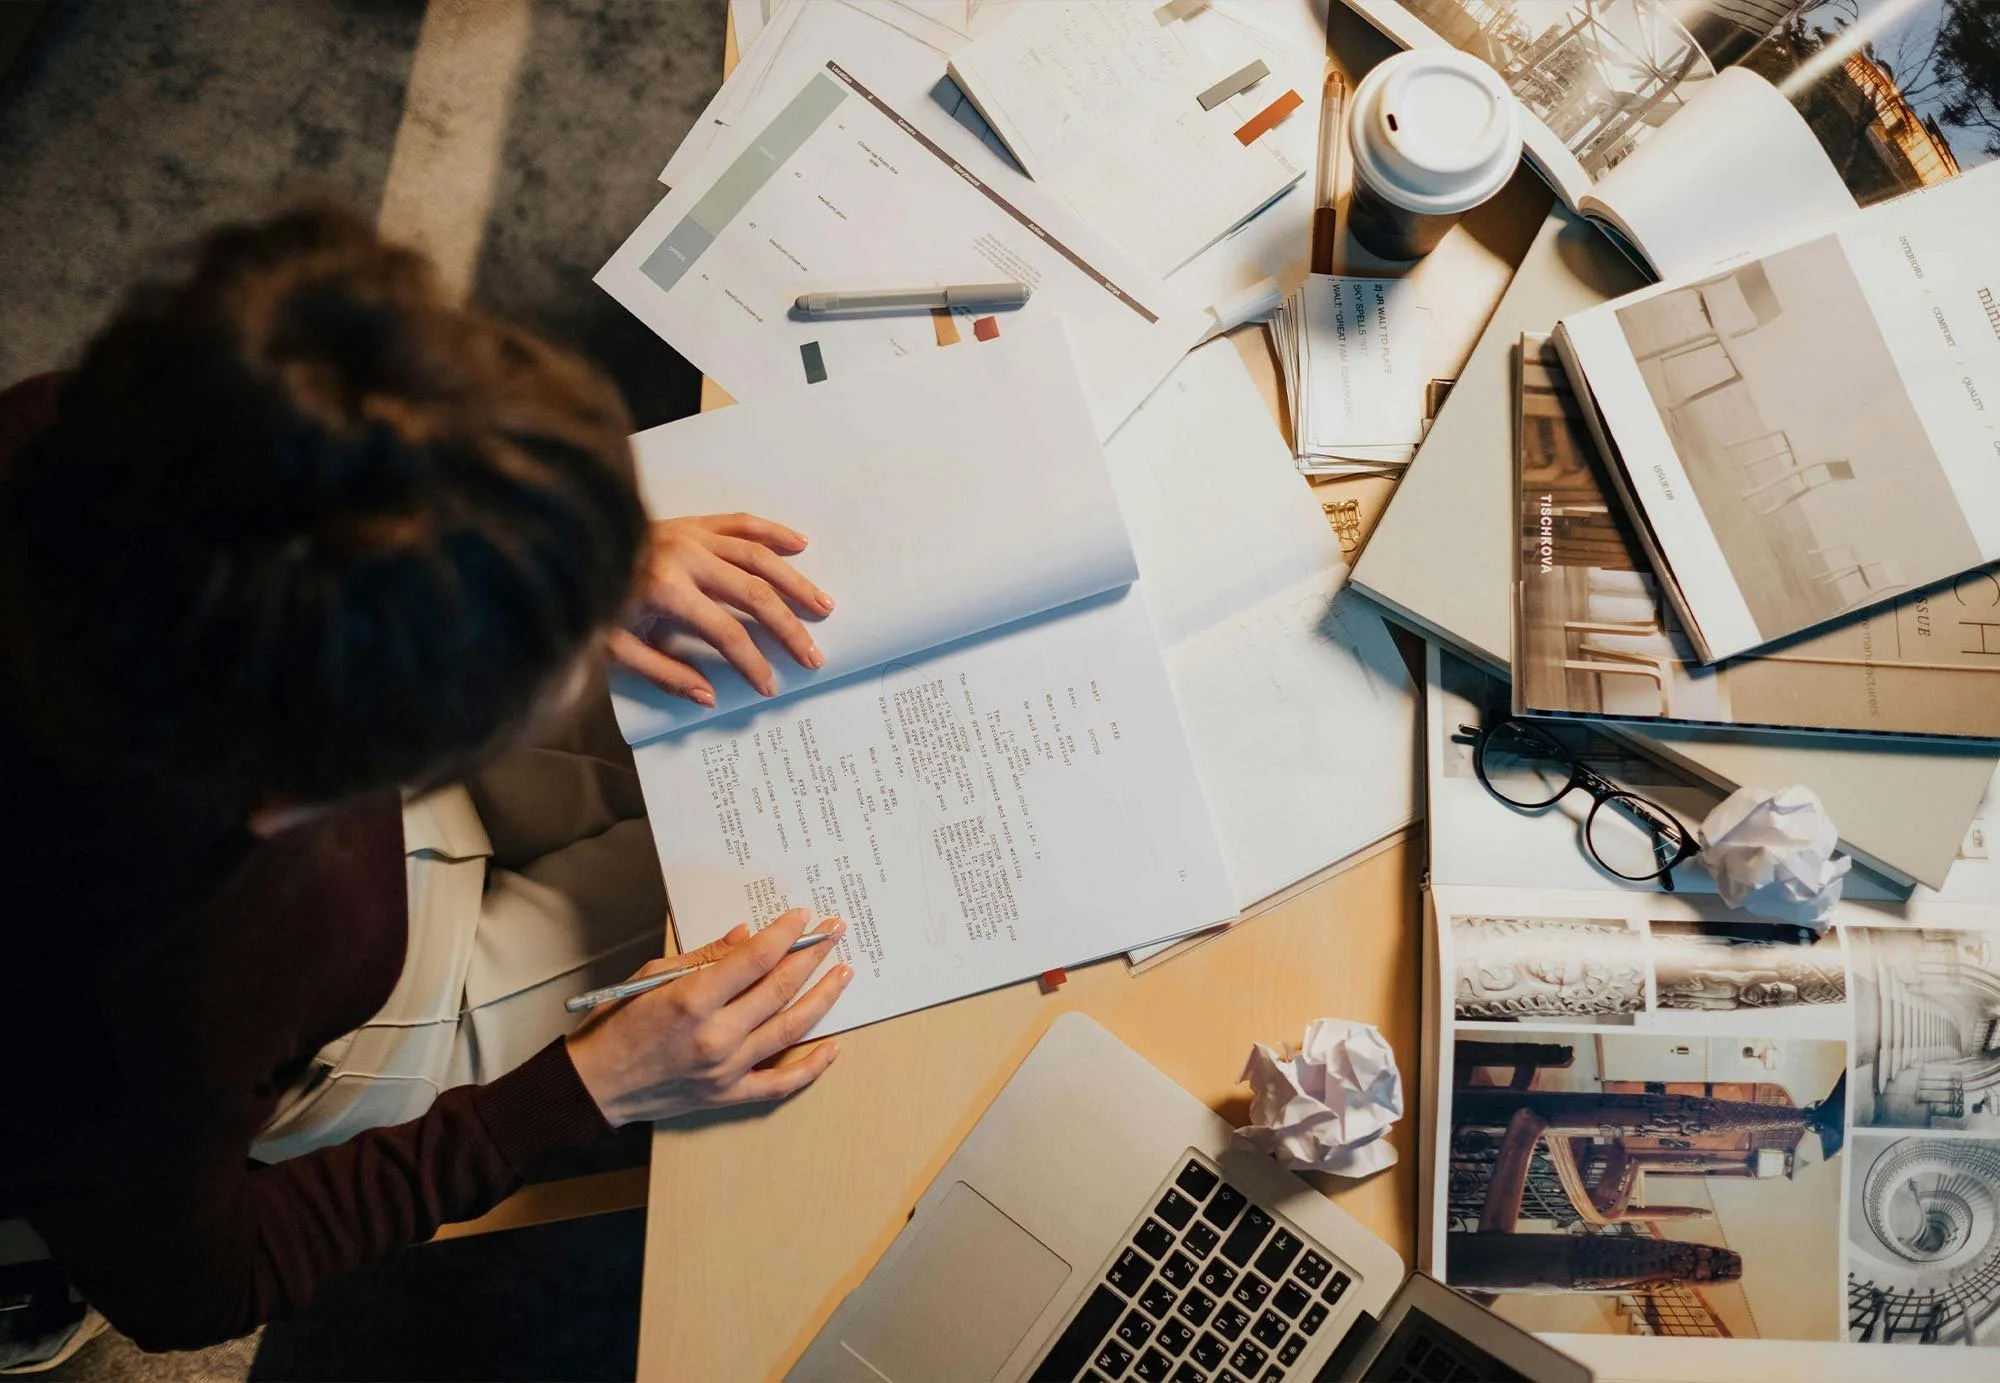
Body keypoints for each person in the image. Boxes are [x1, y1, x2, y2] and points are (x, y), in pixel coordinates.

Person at [0, 206, 853, 1364]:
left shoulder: (96, 438)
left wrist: (560, 529)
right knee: (778, 891)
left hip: (301, 896)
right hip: (311, 1025)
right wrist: (578, 1091)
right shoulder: (141, 1007)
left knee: (747, 758)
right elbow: (195, 1294)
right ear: (348, 777)